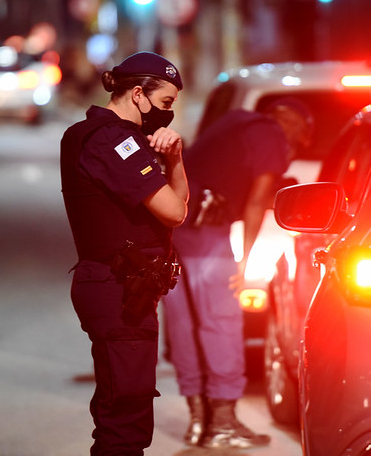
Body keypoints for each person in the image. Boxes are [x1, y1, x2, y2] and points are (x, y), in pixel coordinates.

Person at [162, 98, 314, 449]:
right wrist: (246, 261)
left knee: (185, 326)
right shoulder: (270, 134)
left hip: (170, 234)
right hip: (207, 236)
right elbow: (258, 199)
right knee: (221, 323)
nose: (298, 146)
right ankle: (224, 424)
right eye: (303, 137)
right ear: (293, 122)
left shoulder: (234, 122)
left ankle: (199, 421)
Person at [60, 51, 189, 456]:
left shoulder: (98, 136)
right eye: (165, 103)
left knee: (123, 412)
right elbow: (173, 211)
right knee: (125, 421)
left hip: (119, 289)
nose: (167, 114)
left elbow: (176, 209)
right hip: (117, 291)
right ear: (138, 94)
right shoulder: (114, 141)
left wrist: (175, 160)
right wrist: (171, 160)